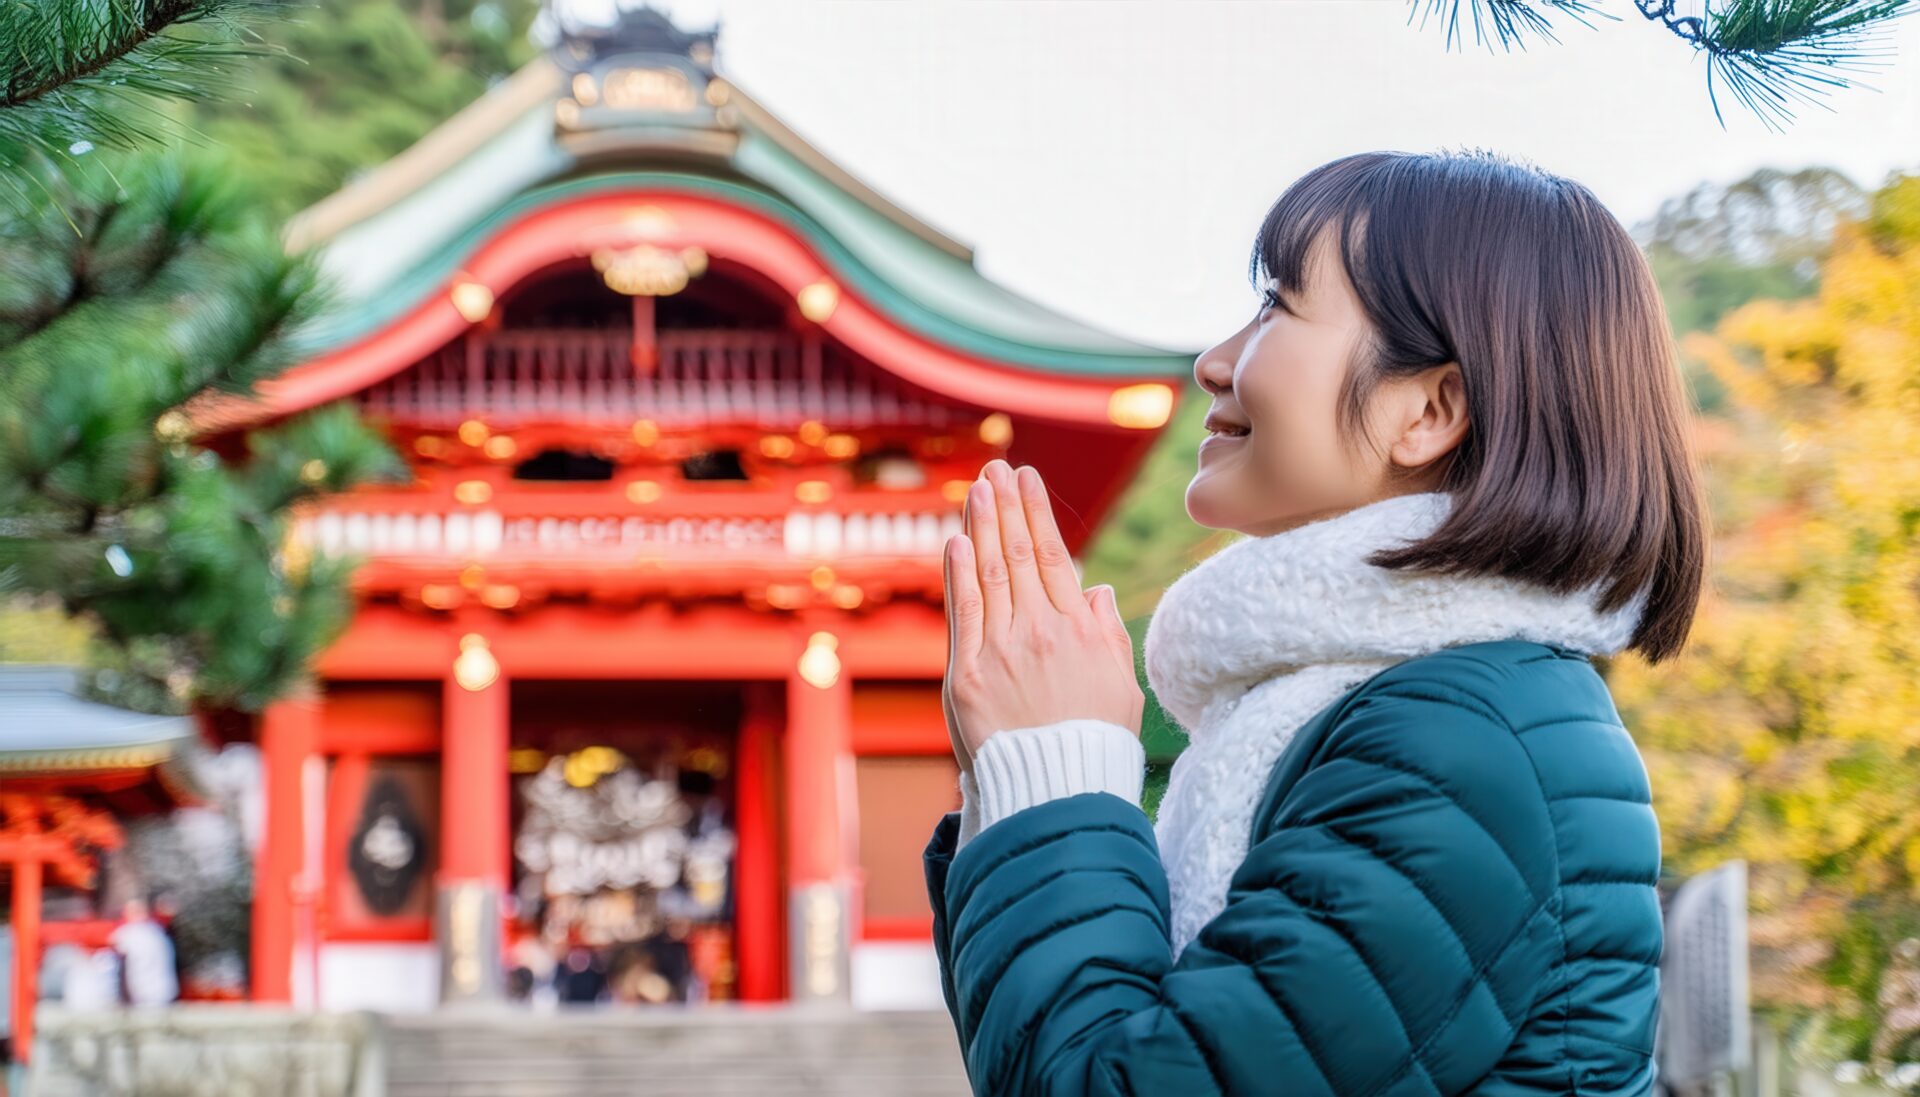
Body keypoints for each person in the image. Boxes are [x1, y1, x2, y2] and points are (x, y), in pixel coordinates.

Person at [927, 150, 1705, 1096]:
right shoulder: (1422, 709)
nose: (1214, 362)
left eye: (1278, 307)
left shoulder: (1459, 749)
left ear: (1428, 409)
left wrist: (1054, 780)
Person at [109, 898, 178, 1008]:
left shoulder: (129, 933)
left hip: (141, 989)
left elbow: (112, 948)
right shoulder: (158, 931)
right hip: (163, 989)